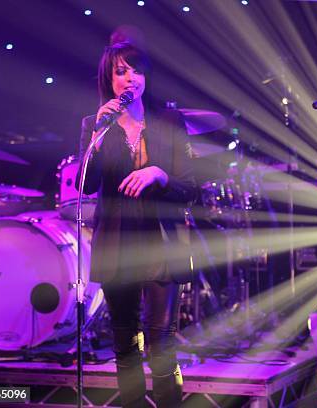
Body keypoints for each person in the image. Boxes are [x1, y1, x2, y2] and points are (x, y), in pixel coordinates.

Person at [77, 41, 196, 408]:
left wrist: (160, 173)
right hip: (118, 244)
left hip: (162, 243)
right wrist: (97, 137)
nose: (130, 78)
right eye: (121, 71)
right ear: (109, 79)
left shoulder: (169, 121)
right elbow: (86, 184)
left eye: (137, 70)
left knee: (162, 343)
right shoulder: (95, 125)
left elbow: (190, 187)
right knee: (125, 344)